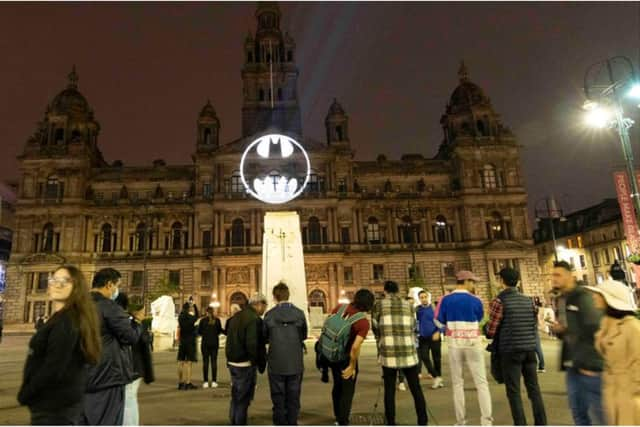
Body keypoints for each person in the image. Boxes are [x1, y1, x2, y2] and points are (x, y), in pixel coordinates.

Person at [17, 266, 102, 425]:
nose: (58, 284)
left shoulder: (66, 322)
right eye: (54, 280)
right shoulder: (70, 317)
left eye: (65, 281)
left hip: (53, 403)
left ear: (76, 287)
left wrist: (27, 393)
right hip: (62, 401)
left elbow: (54, 367)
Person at [485, 268, 547, 426]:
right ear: (518, 281)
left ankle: (520, 424)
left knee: (514, 392)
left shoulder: (499, 301)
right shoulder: (529, 300)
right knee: (534, 389)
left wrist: (486, 328)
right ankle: (541, 423)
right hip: (529, 350)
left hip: (510, 351)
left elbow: (491, 331)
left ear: (501, 282)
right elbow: (533, 324)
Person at [82, 267, 141, 426]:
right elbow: (130, 337)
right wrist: (137, 323)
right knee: (108, 420)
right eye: (117, 285)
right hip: (107, 376)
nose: (117, 290)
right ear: (109, 285)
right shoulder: (110, 307)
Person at [549, 261, 604, 426]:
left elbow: (595, 328)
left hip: (590, 367)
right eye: (552, 275)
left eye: (557, 275)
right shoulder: (562, 299)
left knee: (601, 415)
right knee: (578, 413)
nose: (553, 279)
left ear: (570, 276)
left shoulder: (583, 297)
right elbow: (569, 330)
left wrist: (592, 363)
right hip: (573, 365)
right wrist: (560, 330)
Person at [436, 270, 493, 426]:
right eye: (473, 281)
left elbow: (438, 321)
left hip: (454, 344)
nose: (473, 284)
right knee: (481, 383)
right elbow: (481, 318)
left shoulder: (445, 299)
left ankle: (461, 421)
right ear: (466, 281)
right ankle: (486, 421)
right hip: (473, 343)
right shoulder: (476, 300)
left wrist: (447, 328)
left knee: (457, 383)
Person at [372, 281, 427, 426]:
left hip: (388, 354)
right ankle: (423, 421)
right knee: (416, 388)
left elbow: (375, 328)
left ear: (385, 291)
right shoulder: (409, 305)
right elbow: (415, 327)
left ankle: (391, 422)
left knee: (389, 390)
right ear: (398, 290)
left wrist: (382, 341)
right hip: (408, 352)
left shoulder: (378, 305)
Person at [586, 279, 640, 425]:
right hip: (612, 390)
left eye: (599, 294)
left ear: (609, 299)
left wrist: (633, 390)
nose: (594, 297)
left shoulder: (632, 327)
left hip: (630, 394)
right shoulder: (606, 323)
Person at [263, 282, 308, 425]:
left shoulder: (269, 315)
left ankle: (280, 423)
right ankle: (292, 422)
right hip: (295, 362)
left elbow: (264, 337)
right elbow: (304, 335)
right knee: (293, 397)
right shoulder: (299, 314)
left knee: (278, 398)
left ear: (274, 297)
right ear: (288, 295)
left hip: (276, 362)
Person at [328, 288, 375, 426]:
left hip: (332, 353)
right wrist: (352, 366)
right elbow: (355, 347)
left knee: (337, 385)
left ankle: (337, 416)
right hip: (346, 357)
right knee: (347, 391)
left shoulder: (339, 307)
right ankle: (343, 420)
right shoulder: (363, 322)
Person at [225, 293, 267, 425]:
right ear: (258, 304)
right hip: (245, 364)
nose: (264, 309)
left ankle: (233, 421)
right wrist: (257, 362)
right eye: (264, 306)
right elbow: (252, 344)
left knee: (236, 397)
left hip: (233, 362)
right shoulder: (254, 319)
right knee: (243, 400)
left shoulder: (236, 317)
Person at [115, 293, 154, 425]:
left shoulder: (131, 324)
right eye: (143, 310)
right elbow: (143, 342)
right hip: (133, 368)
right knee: (129, 400)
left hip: (132, 368)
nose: (145, 313)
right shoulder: (134, 324)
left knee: (129, 400)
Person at [416, 290, 444, 389]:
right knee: (424, 357)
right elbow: (416, 322)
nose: (423, 299)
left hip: (434, 337)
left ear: (428, 297)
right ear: (419, 299)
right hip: (423, 338)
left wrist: (439, 331)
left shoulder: (434, 308)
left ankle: (439, 379)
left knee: (437, 359)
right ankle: (436, 376)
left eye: (425, 297)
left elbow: (442, 322)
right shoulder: (417, 310)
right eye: (421, 297)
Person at [198, 305, 225, 388]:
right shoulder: (217, 320)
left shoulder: (202, 321)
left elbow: (199, 332)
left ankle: (205, 381)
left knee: (205, 362)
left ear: (206, 312)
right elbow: (219, 331)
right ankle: (214, 381)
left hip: (205, 343)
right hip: (214, 343)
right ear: (213, 312)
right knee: (214, 362)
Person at [177, 299, 199, 390]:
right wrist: (194, 305)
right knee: (189, 363)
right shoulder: (191, 318)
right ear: (189, 309)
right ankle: (188, 382)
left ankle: (180, 382)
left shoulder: (180, 317)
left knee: (180, 362)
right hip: (190, 341)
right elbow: (197, 315)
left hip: (182, 341)